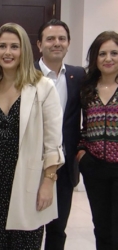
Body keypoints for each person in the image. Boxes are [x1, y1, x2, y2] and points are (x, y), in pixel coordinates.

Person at [0, 23, 65, 249]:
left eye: (14, 47)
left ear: (24, 50)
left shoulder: (42, 87)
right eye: (2, 46)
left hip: (28, 182)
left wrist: (48, 182)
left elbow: (53, 143)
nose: (8, 52)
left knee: (25, 242)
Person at [35, 19, 86, 250]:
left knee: (58, 229)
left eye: (61, 39)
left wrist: (83, 145)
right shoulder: (26, 74)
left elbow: (91, 111)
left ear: (68, 43)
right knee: (30, 226)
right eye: (50, 39)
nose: (57, 43)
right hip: (32, 165)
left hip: (64, 168)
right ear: (39, 44)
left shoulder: (78, 76)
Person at [76, 30, 118, 250]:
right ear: (95, 57)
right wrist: (82, 154)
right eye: (102, 53)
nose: (108, 59)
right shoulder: (87, 89)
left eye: (114, 53)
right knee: (101, 227)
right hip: (95, 168)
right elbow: (81, 127)